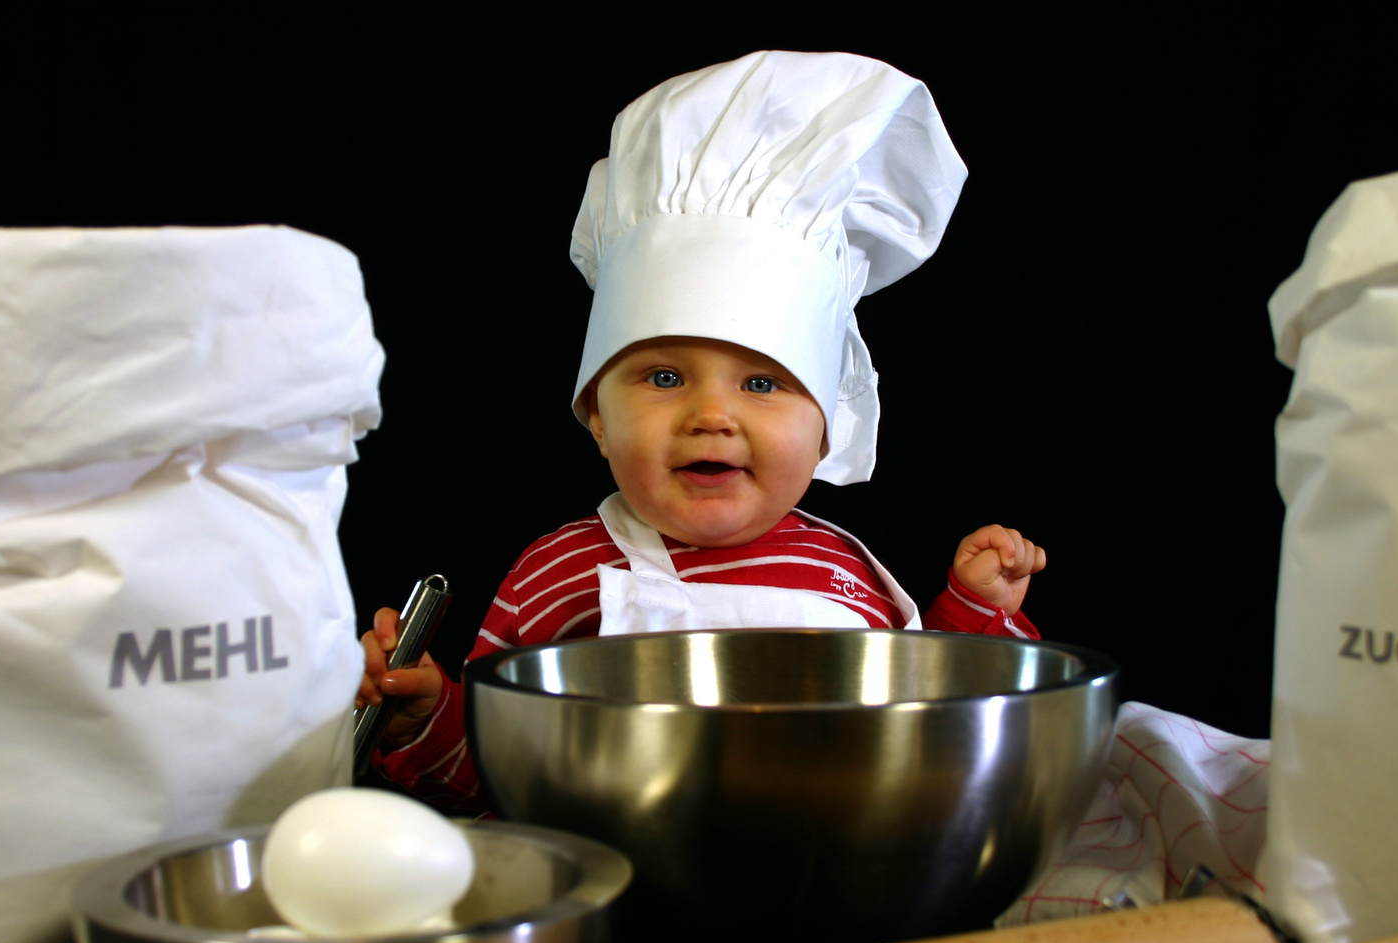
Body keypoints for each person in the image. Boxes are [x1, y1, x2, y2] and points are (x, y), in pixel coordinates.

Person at [356, 51, 1045, 811]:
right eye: (662, 377)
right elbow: (498, 773)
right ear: (595, 417)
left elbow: (950, 727)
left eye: (761, 383)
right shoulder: (550, 579)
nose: (711, 415)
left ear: (826, 431)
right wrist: (426, 718)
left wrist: (980, 613)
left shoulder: (847, 572)